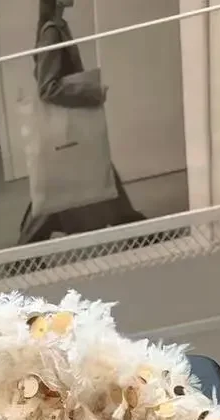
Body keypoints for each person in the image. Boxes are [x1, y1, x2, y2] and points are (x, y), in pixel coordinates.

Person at [18, 0, 143, 243]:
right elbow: (47, 88)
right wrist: (91, 92)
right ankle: (24, 251)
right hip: (66, 129)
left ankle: (133, 229)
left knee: (94, 175)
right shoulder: (52, 32)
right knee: (61, 188)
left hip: (68, 128)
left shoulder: (58, 26)